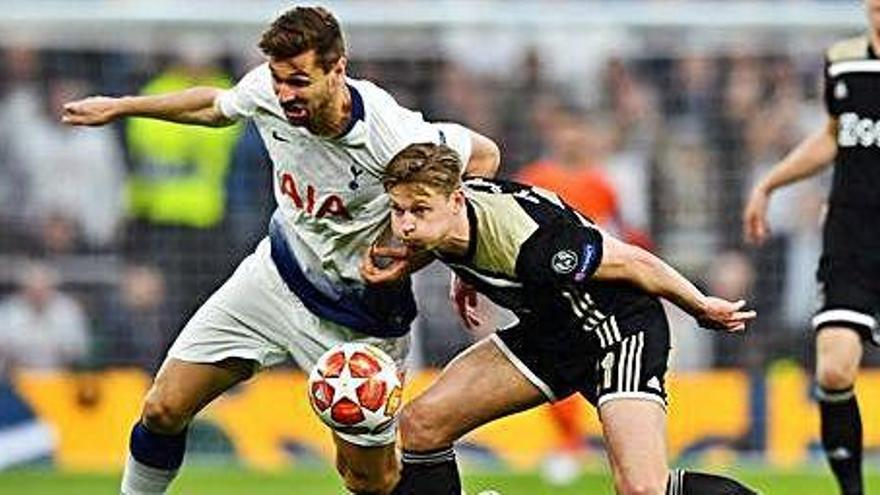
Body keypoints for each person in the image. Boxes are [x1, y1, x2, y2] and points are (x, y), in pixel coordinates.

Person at [62, 7, 499, 495]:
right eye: (278, 80)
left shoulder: (389, 136)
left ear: (338, 69)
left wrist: (431, 255)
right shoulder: (269, 93)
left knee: (369, 480)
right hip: (275, 277)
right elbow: (216, 106)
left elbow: (483, 157)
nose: (285, 94)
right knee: (162, 408)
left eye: (298, 81)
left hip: (358, 318)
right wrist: (121, 107)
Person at [361, 143, 757, 495]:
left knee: (642, 487)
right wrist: (462, 275)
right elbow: (484, 152)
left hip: (616, 332)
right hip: (549, 334)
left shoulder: (532, 243)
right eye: (398, 210)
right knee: (421, 424)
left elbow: (633, 262)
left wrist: (700, 305)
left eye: (419, 210)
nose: (406, 225)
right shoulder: (445, 220)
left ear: (457, 200)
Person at [742, 2, 880, 493]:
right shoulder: (842, 58)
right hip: (851, 238)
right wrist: (770, 184)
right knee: (835, 366)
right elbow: (832, 135)